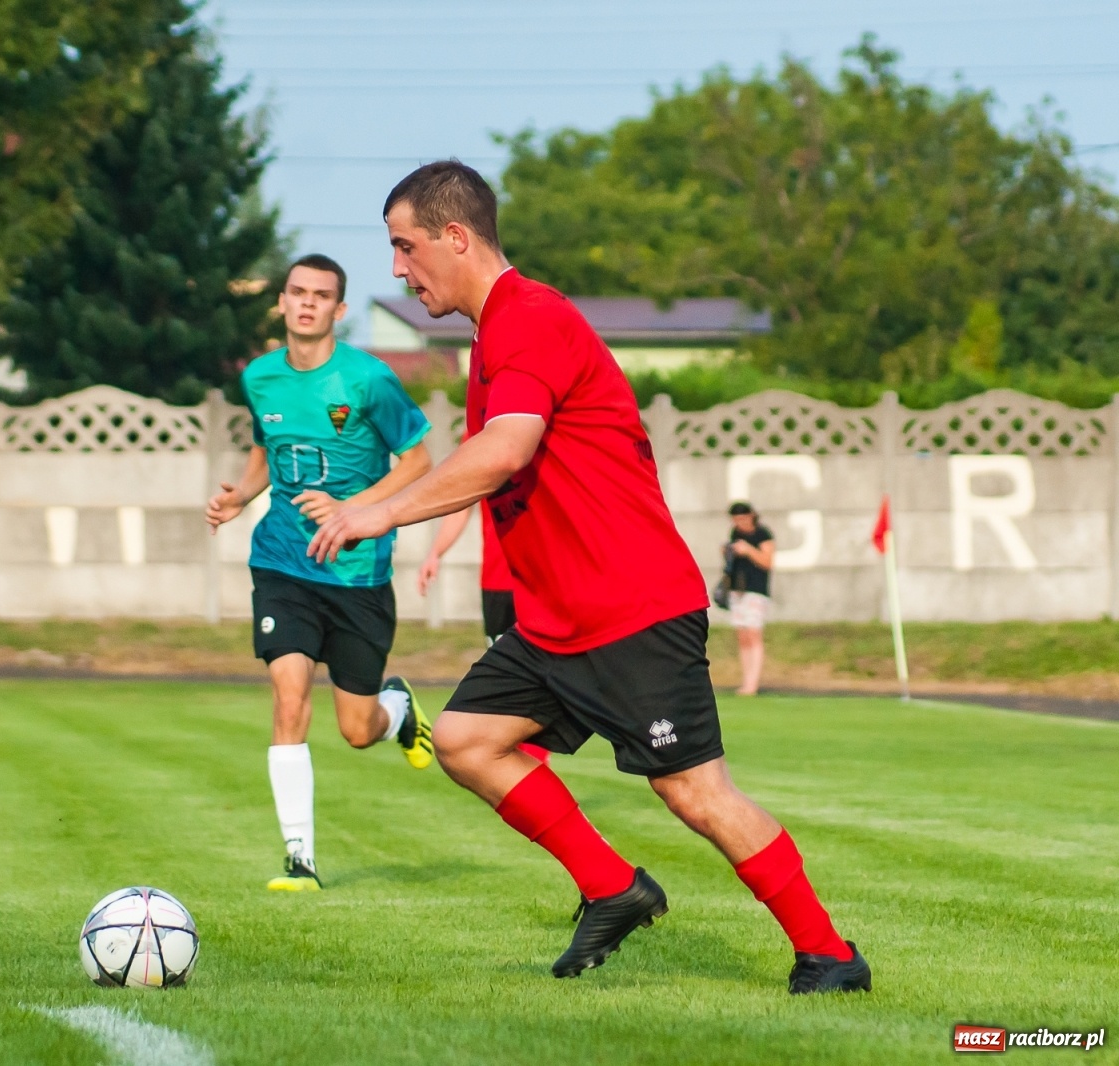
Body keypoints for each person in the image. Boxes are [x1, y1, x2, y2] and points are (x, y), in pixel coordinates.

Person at [309, 161, 869, 994]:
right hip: (556, 622)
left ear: (455, 237)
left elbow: (505, 452)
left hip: (632, 610)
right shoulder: (491, 336)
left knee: (697, 795)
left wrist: (379, 513)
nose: (397, 268)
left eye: (405, 246)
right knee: (463, 740)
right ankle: (613, 888)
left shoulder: (529, 318)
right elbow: (495, 466)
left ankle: (830, 956)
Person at [205, 253, 435, 892]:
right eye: (297, 292)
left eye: (322, 295)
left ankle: (398, 709)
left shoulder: (368, 380)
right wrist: (239, 497)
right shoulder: (261, 377)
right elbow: (265, 449)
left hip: (358, 573)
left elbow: (418, 461)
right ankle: (299, 858)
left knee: (358, 730)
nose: (307, 303)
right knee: (289, 696)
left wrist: (351, 509)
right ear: (281, 302)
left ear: (339, 310)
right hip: (283, 562)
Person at [418, 502, 548, 763]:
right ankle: (525, 776)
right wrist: (436, 552)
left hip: (545, 581)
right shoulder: (489, 461)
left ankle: (536, 768)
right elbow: (460, 506)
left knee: (541, 681)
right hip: (498, 584)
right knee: (512, 685)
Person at [724, 502, 775, 696]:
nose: (740, 523)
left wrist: (748, 550)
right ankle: (746, 680)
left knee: (754, 633)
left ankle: (753, 682)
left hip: (756, 589)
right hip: (738, 589)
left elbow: (767, 561)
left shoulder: (762, 534)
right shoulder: (735, 533)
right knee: (742, 634)